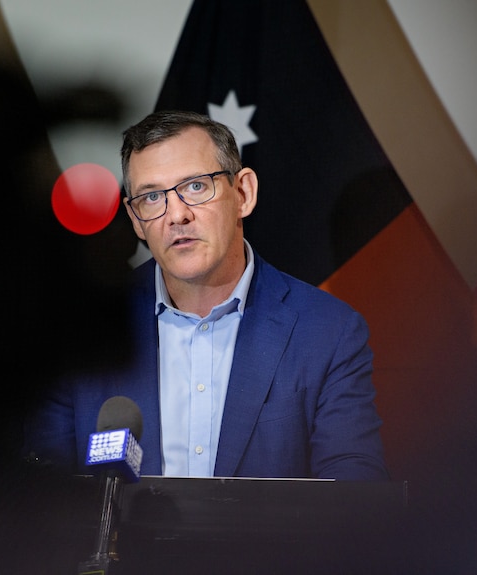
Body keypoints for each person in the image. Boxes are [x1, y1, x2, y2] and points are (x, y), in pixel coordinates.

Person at [25, 110, 388, 480]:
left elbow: (353, 498)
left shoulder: (328, 331)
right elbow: (40, 493)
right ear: (135, 220)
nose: (176, 215)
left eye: (196, 186)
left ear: (243, 193)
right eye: (152, 197)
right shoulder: (82, 327)